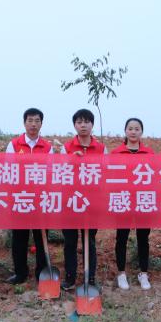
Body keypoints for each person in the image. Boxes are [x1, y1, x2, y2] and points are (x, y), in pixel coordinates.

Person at [60, 109, 107, 290]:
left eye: (86, 122)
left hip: (92, 202)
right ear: (74, 125)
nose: (83, 125)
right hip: (70, 202)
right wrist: (72, 160)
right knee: (70, 242)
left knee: (89, 241)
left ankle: (90, 277)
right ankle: (70, 278)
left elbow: (106, 172)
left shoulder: (101, 148)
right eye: (79, 122)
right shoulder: (66, 148)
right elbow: (60, 172)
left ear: (92, 124)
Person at [4, 108, 52, 285]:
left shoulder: (47, 147)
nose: (33, 124)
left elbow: (51, 171)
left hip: (41, 199)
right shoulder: (14, 145)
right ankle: (20, 273)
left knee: (41, 237)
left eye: (37, 121)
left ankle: (41, 273)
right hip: (20, 198)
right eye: (30, 120)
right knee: (19, 238)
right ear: (24, 123)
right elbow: (9, 170)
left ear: (41, 124)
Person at [111, 117, 153, 290]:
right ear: (125, 131)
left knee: (143, 238)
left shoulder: (149, 153)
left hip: (143, 200)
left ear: (141, 132)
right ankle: (121, 273)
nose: (133, 132)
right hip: (123, 199)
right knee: (121, 237)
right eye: (130, 128)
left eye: (137, 129)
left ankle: (143, 273)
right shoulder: (116, 153)